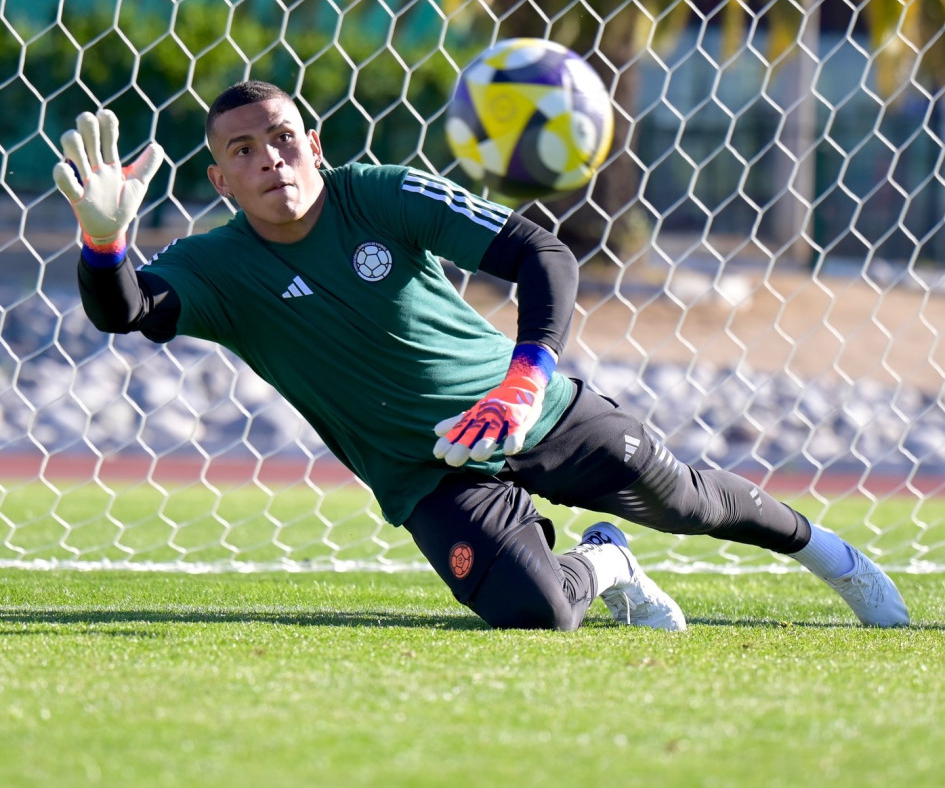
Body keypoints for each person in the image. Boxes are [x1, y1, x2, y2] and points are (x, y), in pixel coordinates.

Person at [53, 80, 909, 632]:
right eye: (243, 150)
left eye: (281, 138)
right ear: (222, 178)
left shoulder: (379, 194)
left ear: (314, 143)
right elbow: (129, 309)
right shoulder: (215, 264)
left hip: (529, 406)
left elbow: (544, 253)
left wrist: (522, 382)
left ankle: (837, 561)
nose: (269, 159)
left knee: (686, 502)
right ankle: (605, 560)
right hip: (427, 471)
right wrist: (102, 239)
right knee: (534, 613)